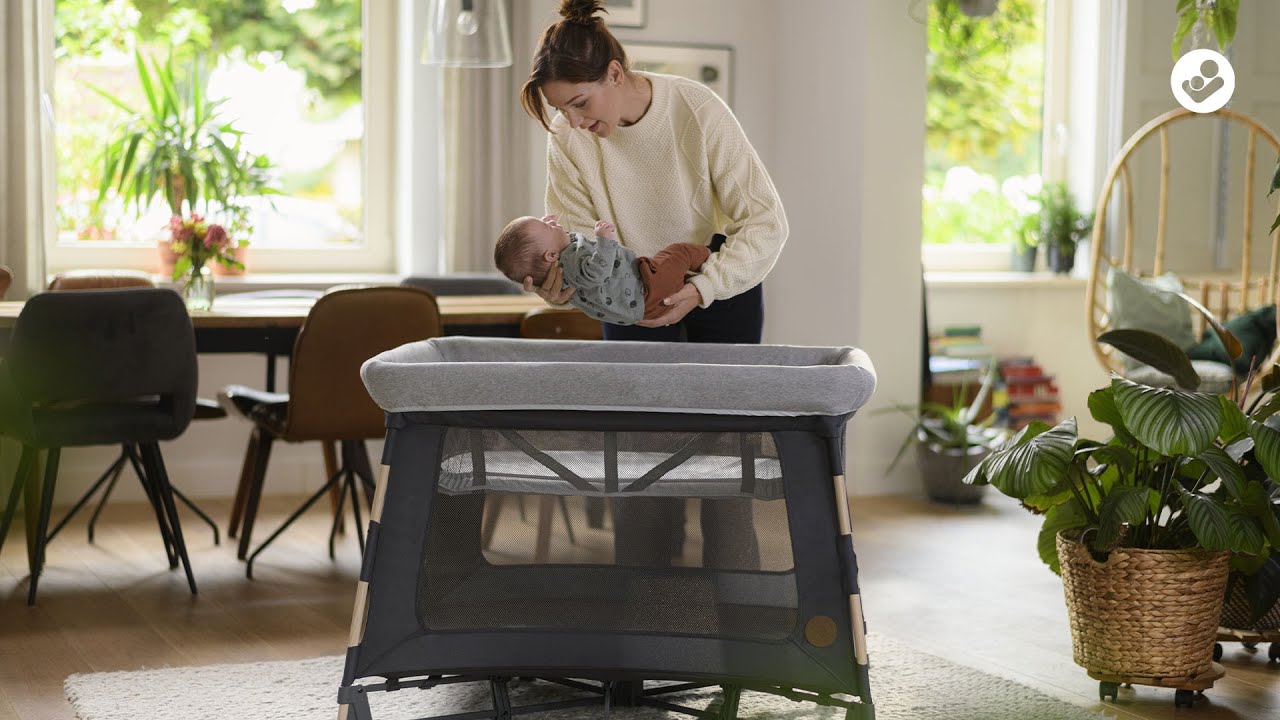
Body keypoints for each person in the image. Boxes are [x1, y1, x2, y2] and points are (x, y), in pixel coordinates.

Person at [519, 0, 788, 569]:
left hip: (718, 284)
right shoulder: (570, 140)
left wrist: (701, 287)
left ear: (614, 74)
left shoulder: (695, 108)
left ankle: (736, 611)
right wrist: (558, 279)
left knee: (727, 456)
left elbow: (765, 224)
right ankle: (645, 608)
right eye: (561, 110)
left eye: (580, 103)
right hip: (627, 293)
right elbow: (569, 233)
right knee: (641, 459)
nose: (573, 122)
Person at [494, 214, 710, 326]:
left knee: (674, 269)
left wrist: (546, 228)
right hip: (649, 289)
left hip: (641, 307)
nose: (551, 221)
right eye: (546, 225)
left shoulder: (563, 269)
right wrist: (603, 240)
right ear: (550, 256)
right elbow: (598, 271)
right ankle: (711, 255)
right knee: (678, 253)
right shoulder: (572, 261)